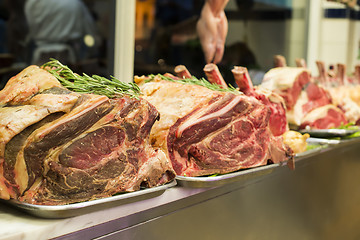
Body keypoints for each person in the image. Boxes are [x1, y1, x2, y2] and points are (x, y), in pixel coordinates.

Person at [24, 0, 100, 65]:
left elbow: (25, 31)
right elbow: (91, 32)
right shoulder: (75, 3)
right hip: (67, 57)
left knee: (38, 80)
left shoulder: (33, 3)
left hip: (41, 55)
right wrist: (92, 51)